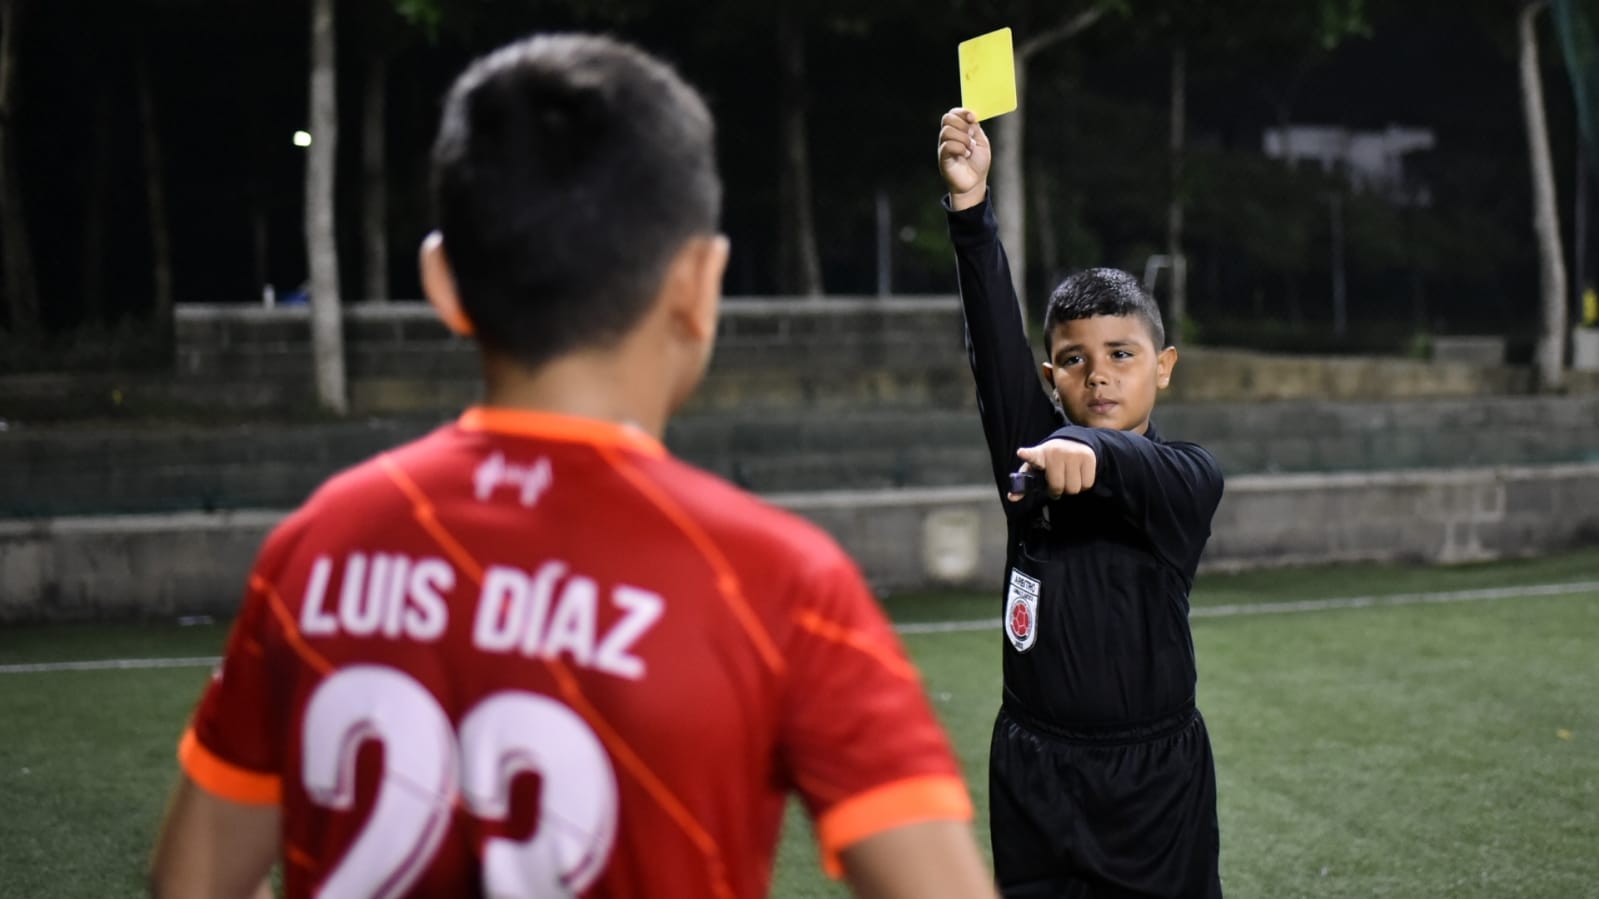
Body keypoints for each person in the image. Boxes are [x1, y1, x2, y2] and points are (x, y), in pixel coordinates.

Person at [145, 35, 1000, 899]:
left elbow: (189, 881)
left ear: (442, 284)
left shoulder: (316, 547)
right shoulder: (780, 585)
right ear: (698, 285)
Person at [936, 106, 1226, 898]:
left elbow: (1135, 465)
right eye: (1073, 360)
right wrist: (969, 209)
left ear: (1162, 366)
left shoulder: (1184, 479)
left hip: (1153, 778)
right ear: (1049, 378)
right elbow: (993, 343)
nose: (1097, 375)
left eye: (1120, 355)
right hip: (1034, 768)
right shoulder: (1027, 463)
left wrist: (1088, 450)